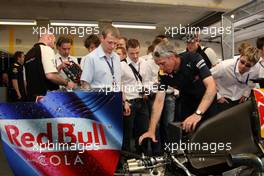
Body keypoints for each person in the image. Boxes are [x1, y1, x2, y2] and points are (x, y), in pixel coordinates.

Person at [139, 41, 217, 144]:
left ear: (172, 57)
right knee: (188, 140)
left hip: (206, 103)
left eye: (162, 63)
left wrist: (198, 114)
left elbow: (211, 86)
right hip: (187, 103)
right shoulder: (163, 74)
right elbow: (159, 101)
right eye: (158, 65)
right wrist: (151, 130)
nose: (161, 68)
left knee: (210, 138)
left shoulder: (193, 58)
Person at [121, 38, 152, 154]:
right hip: (129, 102)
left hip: (142, 101)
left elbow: (147, 81)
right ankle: (126, 158)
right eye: (132, 53)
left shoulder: (144, 63)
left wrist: (146, 91)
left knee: (143, 130)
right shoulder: (122, 65)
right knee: (127, 133)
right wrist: (124, 102)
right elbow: (119, 85)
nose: (135, 56)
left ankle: (142, 155)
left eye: (137, 52)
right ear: (127, 51)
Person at [24, 32, 76, 101]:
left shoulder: (28, 54)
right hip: (45, 97)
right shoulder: (46, 49)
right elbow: (50, 75)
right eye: (54, 42)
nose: (53, 47)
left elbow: (26, 81)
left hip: (33, 98)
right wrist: (67, 83)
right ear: (49, 38)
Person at [211, 46, 260, 112]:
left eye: (248, 65)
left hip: (239, 99)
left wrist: (246, 94)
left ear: (254, 65)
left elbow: (252, 82)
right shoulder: (224, 66)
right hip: (223, 98)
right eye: (242, 62)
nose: (243, 66)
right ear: (240, 56)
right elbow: (207, 78)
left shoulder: (256, 69)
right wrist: (217, 96)